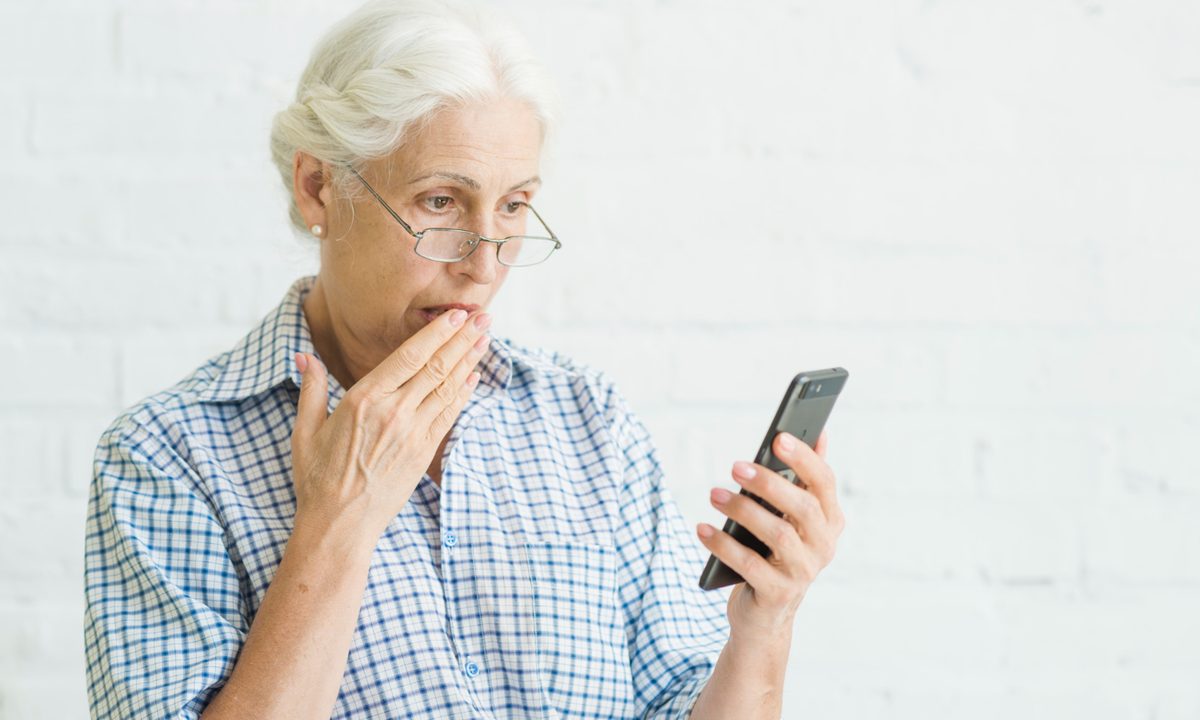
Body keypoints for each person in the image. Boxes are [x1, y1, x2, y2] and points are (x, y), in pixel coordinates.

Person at [83, 1, 845, 718]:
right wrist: (338, 523)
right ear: (318, 189)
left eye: (513, 206)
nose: (485, 265)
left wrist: (765, 624)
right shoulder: (166, 458)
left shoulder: (589, 422)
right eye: (440, 202)